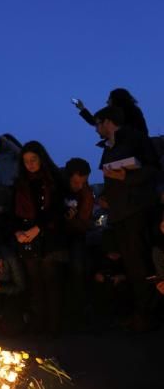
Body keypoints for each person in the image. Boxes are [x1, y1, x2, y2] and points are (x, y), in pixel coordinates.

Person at [96, 106, 158, 332]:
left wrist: (127, 176)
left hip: (135, 211)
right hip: (119, 212)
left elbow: (152, 170)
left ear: (108, 122)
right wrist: (105, 196)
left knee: (139, 264)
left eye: (98, 123)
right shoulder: (109, 146)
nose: (96, 129)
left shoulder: (135, 140)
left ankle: (147, 315)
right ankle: (137, 313)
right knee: (130, 265)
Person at [13, 141, 67, 335]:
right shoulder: (20, 184)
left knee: (52, 282)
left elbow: (57, 209)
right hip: (28, 239)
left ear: (41, 158)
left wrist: (39, 228)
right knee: (35, 283)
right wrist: (18, 231)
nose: (30, 164)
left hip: (50, 237)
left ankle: (54, 327)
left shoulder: (54, 180)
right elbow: (14, 213)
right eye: (26, 161)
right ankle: (39, 325)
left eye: (33, 159)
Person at [62, 157, 95, 328]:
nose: (80, 186)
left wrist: (74, 220)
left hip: (76, 236)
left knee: (79, 270)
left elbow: (85, 222)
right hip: (57, 237)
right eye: (76, 182)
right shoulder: (58, 187)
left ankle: (80, 314)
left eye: (84, 182)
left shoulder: (86, 193)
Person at [73, 88, 148, 135]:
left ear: (116, 99)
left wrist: (82, 108)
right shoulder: (135, 111)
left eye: (109, 99)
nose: (107, 102)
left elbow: (95, 120)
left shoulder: (114, 112)